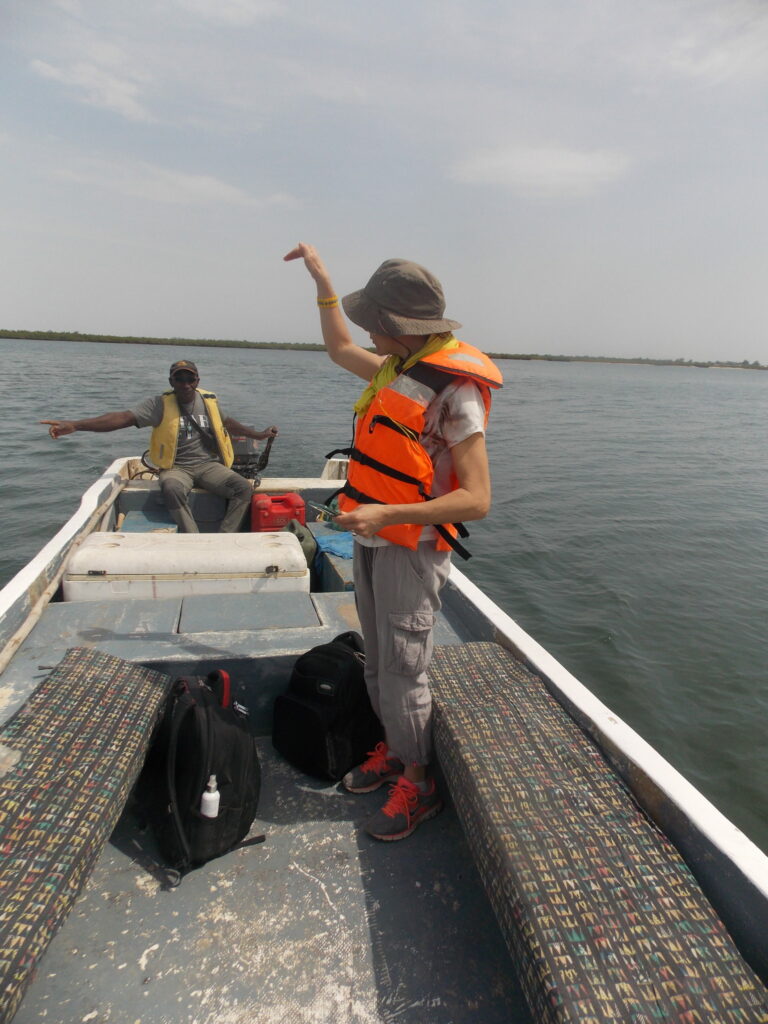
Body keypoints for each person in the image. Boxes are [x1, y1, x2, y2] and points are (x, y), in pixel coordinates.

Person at [284, 243, 503, 841]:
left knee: (406, 668)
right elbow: (336, 348)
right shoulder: (394, 369)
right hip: (376, 536)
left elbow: (477, 499)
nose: (365, 332)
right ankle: (394, 753)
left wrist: (387, 514)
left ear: (394, 327)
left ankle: (420, 782)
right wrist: (323, 282)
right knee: (380, 661)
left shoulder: (456, 394)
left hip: (411, 546)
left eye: (370, 322)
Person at [41, 359, 278, 533]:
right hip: (177, 467)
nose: (185, 384)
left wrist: (259, 434)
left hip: (209, 465)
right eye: (179, 378)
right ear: (171, 381)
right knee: (172, 487)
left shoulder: (208, 401)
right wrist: (76, 425)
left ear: (197, 381)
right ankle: (193, 538)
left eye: (190, 378)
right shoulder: (158, 405)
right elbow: (122, 418)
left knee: (242, 488)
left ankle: (224, 537)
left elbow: (228, 424)